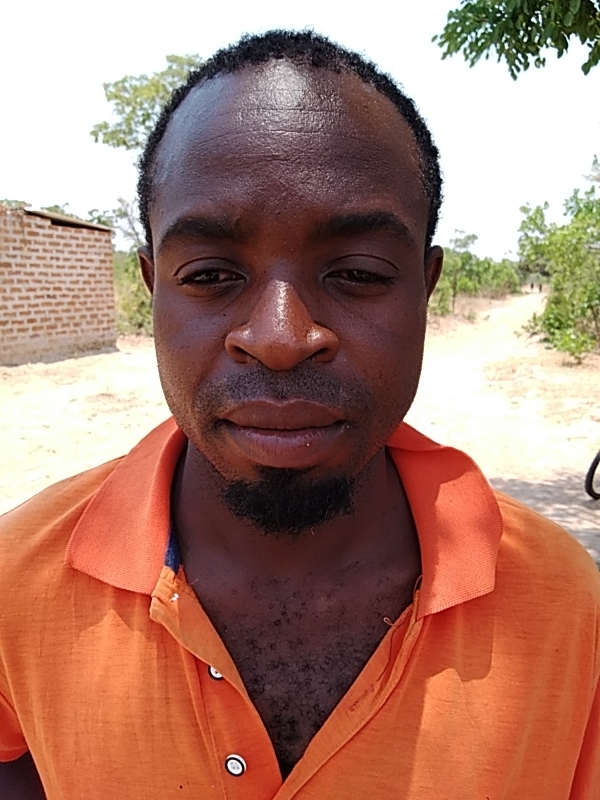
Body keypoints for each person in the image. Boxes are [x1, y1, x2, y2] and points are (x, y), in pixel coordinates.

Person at [0, 30, 598, 800]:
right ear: (153, 288)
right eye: (209, 275)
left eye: (358, 273)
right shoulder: (15, 585)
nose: (280, 337)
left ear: (425, 287)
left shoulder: (566, 608)